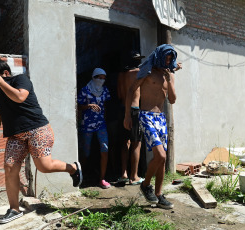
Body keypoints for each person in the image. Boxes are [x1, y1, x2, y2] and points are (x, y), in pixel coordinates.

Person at [0, 56, 82, 224]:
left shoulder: (21, 80)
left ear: (5, 73)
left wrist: (1, 83)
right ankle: (14, 209)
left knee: (44, 167)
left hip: (37, 130)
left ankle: (73, 168)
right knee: (9, 167)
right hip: (16, 135)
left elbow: (20, 97)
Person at [124, 44, 181, 209]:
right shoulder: (147, 71)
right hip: (146, 115)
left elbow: (173, 100)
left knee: (161, 161)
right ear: (159, 56)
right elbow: (131, 90)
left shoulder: (168, 75)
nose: (168, 61)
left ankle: (158, 195)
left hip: (161, 118)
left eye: (171, 58)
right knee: (161, 156)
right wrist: (127, 115)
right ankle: (145, 184)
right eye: (166, 58)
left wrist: (170, 78)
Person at [77, 68, 111, 189]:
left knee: (105, 149)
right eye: (99, 77)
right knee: (85, 152)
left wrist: (105, 120)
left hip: (101, 124)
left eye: (103, 78)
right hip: (87, 125)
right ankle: (81, 176)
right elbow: (78, 106)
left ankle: (102, 179)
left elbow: (106, 106)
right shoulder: (85, 90)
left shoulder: (105, 90)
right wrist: (88, 106)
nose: (101, 80)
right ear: (93, 77)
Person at [117, 51, 145, 185]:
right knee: (136, 143)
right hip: (134, 110)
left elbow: (118, 94)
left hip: (121, 109)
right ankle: (134, 176)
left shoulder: (121, 76)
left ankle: (124, 174)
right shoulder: (139, 73)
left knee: (125, 142)